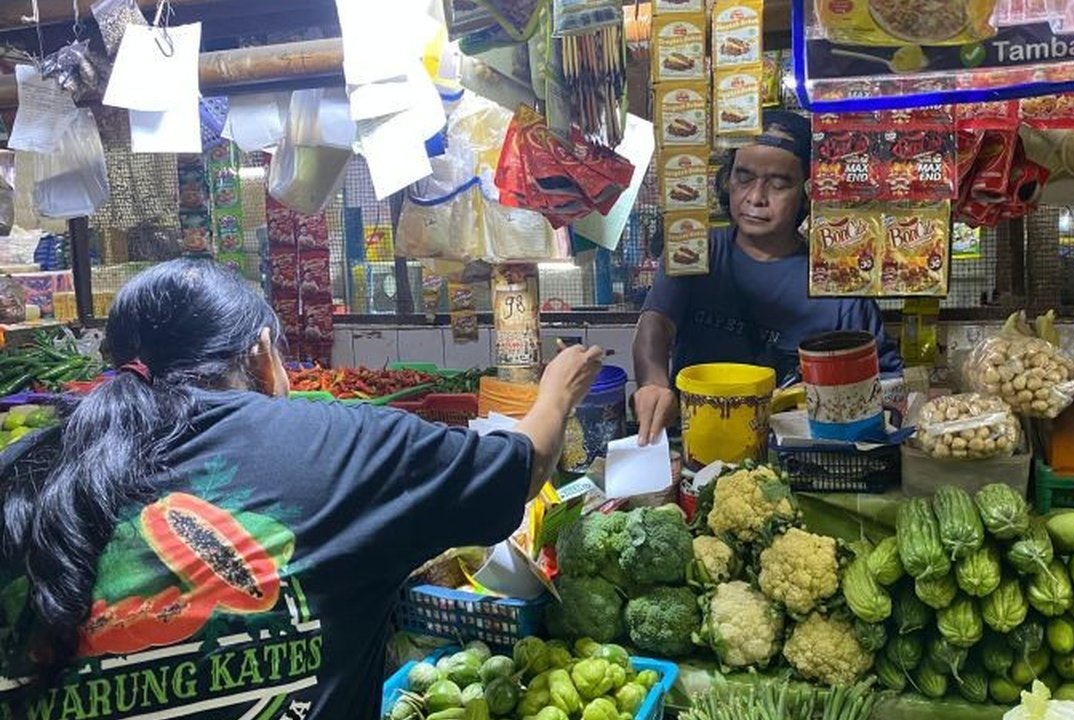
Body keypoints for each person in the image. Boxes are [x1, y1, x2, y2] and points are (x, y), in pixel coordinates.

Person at [0, 259, 603, 719]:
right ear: (263, 356)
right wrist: (556, 392)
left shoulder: (22, 468)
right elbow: (522, 466)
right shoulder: (339, 446)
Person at [633, 109, 904, 444]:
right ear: (725, 180)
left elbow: (888, 381)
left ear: (807, 192)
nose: (756, 198)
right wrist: (653, 383)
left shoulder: (835, 278)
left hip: (800, 459)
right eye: (744, 178)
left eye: (779, 184)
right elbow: (656, 322)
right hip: (694, 448)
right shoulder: (697, 251)